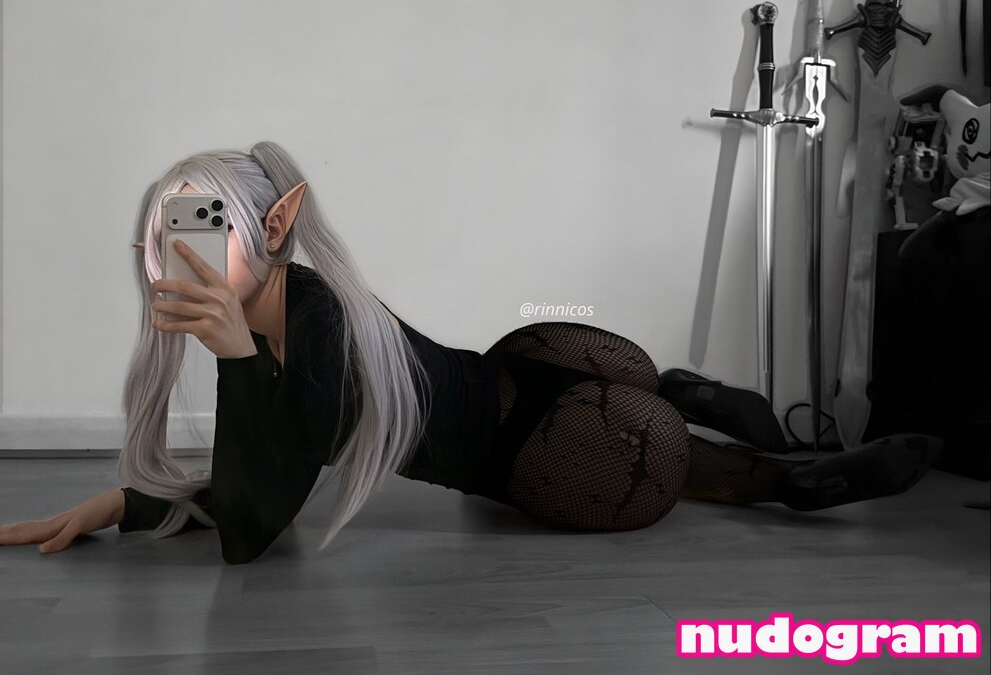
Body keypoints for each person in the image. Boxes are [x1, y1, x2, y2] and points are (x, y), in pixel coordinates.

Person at [0, 143, 939, 564]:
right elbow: (265, 467)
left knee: (669, 456)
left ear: (274, 226)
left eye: (206, 228)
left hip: (539, 450)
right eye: (170, 236)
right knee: (646, 414)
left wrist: (236, 362)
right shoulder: (303, 305)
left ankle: (787, 482)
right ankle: (693, 394)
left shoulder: (307, 329)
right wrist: (128, 504)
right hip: (528, 364)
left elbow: (253, 529)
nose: (182, 258)